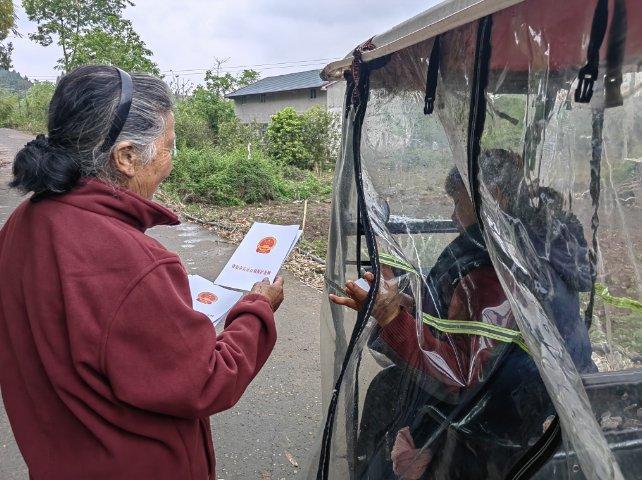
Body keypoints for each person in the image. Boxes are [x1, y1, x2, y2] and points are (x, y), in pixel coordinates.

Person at [0, 65, 284, 480]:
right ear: (128, 157)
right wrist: (257, 309)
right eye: (170, 145)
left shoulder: (22, 224)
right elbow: (207, 381)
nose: (172, 161)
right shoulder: (133, 261)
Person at [330, 154, 596, 479]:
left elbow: (461, 380)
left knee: (389, 398)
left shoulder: (492, 268)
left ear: (494, 197)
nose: (453, 217)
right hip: (547, 410)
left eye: (458, 203)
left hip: (496, 426)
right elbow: (476, 328)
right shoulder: (541, 249)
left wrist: (390, 319)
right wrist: (412, 305)